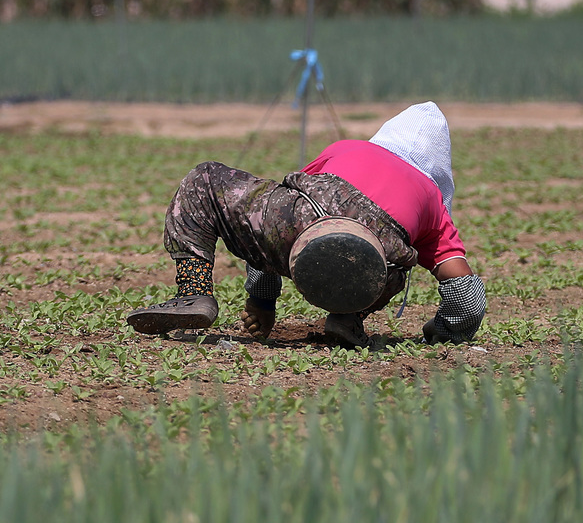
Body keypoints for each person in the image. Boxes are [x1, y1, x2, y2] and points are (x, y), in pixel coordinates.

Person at [125, 101, 485, 347]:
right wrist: (443, 331)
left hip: (304, 219)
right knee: (389, 261)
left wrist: (262, 301)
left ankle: (194, 293)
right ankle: (348, 317)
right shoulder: (432, 200)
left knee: (207, 180)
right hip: (372, 258)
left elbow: (277, 220)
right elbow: (465, 295)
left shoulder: (348, 147)